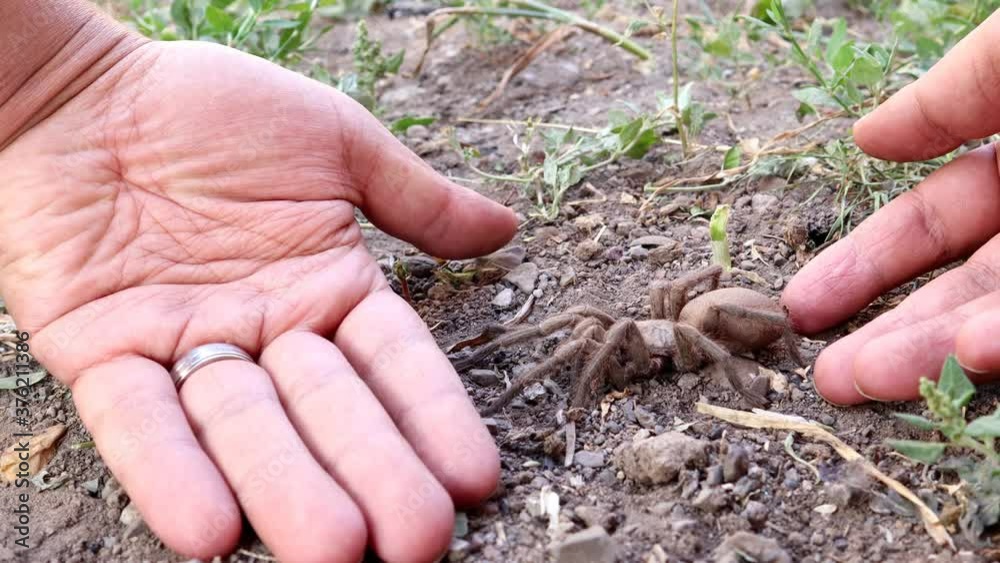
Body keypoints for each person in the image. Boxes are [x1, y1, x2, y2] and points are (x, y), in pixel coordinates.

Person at [1, 1, 996, 561]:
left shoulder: (683, 335)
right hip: (710, 315)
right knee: (594, 321)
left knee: (605, 328)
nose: (617, 351)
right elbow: (644, 311)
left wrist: (54, 75)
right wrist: (48, 83)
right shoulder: (648, 324)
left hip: (732, 324)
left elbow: (687, 319)